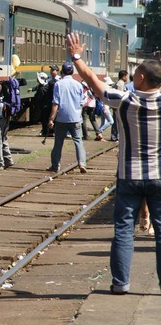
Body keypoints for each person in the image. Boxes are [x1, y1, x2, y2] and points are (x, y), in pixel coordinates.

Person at [65, 32, 161, 295]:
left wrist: (76, 56)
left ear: (141, 78)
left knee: (123, 230)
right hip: (159, 177)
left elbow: (91, 80)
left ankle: (120, 283)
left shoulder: (125, 100)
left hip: (129, 176)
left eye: (136, 73)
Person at [47, 61, 87, 173]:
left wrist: (51, 119)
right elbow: (81, 103)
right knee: (78, 141)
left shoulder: (58, 84)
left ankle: (55, 165)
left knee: (58, 142)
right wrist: (78, 115)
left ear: (62, 72)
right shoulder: (78, 85)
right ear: (72, 72)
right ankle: (82, 163)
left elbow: (55, 103)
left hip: (62, 118)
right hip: (76, 118)